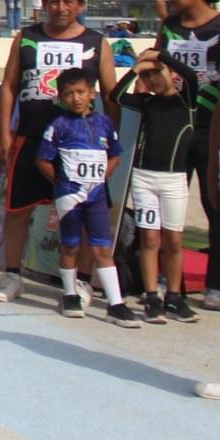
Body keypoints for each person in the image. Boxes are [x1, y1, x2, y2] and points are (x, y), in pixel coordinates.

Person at [0, 0, 117, 305]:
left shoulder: (97, 43)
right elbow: (9, 85)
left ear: (81, 6)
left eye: (68, 2)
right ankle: (12, 274)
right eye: (54, 1)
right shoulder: (27, 37)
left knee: (87, 213)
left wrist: (109, 138)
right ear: (44, 4)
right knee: (18, 211)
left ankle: (83, 282)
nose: (61, 8)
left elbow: (110, 94)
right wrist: (5, 132)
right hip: (32, 138)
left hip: (82, 147)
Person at [158, 0, 220, 314]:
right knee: (167, 206)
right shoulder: (169, 26)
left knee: (215, 205)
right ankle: (167, 279)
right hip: (174, 128)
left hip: (210, 128)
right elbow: (156, 66)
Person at [37, 67, 134, 325]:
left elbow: (115, 155)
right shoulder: (58, 125)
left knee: (102, 247)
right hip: (69, 196)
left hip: (96, 196)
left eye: (80, 92)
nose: (75, 98)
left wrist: (102, 178)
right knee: (70, 244)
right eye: (68, 94)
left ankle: (116, 304)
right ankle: (70, 295)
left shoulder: (104, 124)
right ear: (61, 97)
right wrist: (60, 182)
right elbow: (43, 159)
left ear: (92, 93)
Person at [117, 47, 199, 324]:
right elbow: (116, 96)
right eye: (147, 75)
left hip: (174, 180)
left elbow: (190, 76)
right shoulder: (146, 102)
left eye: (157, 73)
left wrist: (160, 55)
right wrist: (134, 70)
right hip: (144, 179)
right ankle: (152, 297)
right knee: (150, 239)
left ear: (171, 73)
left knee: (173, 240)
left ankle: (174, 297)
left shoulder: (187, 101)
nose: (152, 79)